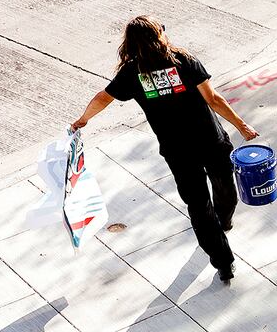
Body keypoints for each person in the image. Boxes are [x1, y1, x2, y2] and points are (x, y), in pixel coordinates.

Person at [71, 16, 258, 283]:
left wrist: (83, 119)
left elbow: (103, 97)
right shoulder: (183, 61)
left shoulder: (131, 73)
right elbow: (213, 99)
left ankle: (222, 260)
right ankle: (224, 223)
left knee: (198, 206)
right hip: (210, 141)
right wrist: (241, 125)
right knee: (225, 188)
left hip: (178, 151)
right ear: (159, 35)